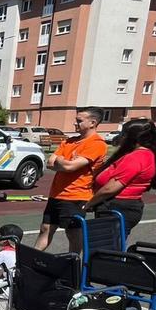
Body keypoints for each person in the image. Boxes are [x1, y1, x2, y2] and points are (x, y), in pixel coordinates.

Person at [34, 107, 107, 253]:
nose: (75, 123)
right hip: (56, 194)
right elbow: (50, 163)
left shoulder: (97, 144)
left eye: (79, 121)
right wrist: (64, 162)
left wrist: (62, 161)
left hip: (76, 196)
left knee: (73, 233)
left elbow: (70, 167)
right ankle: (32, 258)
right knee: (45, 228)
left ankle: (73, 261)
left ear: (92, 123)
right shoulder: (69, 141)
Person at [83, 119, 156, 234]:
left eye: (124, 134)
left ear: (132, 137)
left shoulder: (136, 157)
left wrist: (89, 203)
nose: (121, 137)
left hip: (117, 206)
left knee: (105, 243)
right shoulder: (147, 154)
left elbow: (110, 188)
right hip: (120, 206)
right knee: (112, 242)